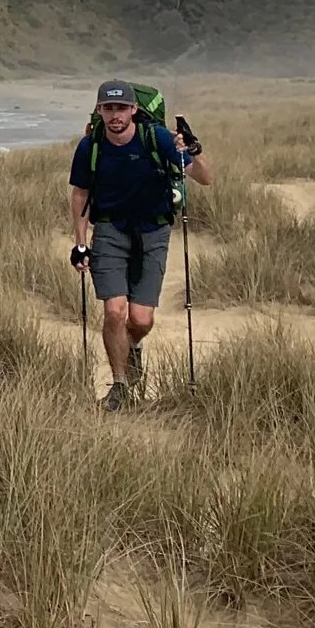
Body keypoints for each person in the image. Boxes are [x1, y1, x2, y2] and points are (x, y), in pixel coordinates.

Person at [68, 80, 210, 411]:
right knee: (114, 312)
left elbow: (205, 179)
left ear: (134, 110)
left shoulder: (157, 138)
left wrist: (193, 150)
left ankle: (131, 347)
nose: (114, 115)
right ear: (100, 111)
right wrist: (79, 243)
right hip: (110, 231)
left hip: (153, 232)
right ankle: (120, 386)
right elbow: (80, 194)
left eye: (120, 108)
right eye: (108, 108)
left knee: (141, 320)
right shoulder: (90, 147)